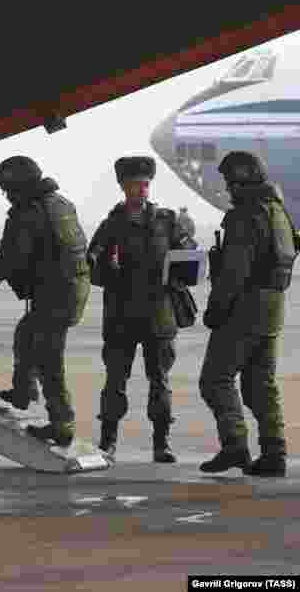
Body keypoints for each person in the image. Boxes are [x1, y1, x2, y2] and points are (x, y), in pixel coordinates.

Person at [86, 156, 196, 463]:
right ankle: (108, 442)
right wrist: (106, 267)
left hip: (159, 314)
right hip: (121, 313)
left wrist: (185, 257)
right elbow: (92, 267)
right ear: (124, 187)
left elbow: (189, 257)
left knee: (159, 381)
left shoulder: (167, 220)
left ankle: (162, 444)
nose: (141, 190)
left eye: (145, 185)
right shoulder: (111, 224)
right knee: (115, 381)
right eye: (135, 185)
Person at [0, 156, 90, 446]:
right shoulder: (62, 204)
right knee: (26, 333)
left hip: (55, 293)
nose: (7, 196)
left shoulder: (29, 212)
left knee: (48, 358)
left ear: (21, 186)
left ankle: (62, 424)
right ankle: (23, 392)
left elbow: (16, 258)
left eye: (9, 189)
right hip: (70, 288)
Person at [199, 151, 294, 477]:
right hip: (273, 308)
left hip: (245, 308)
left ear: (241, 181)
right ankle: (274, 453)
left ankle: (235, 446)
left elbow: (234, 273)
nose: (228, 189)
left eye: (230, 183)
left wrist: (216, 309)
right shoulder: (278, 211)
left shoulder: (246, 216)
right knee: (260, 384)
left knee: (215, 379)